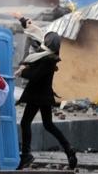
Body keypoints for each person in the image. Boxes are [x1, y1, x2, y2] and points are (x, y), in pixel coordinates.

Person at [14, 24, 78, 170]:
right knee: (48, 125)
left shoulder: (47, 59)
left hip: (38, 95)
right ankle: (69, 150)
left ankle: (26, 155)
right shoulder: (48, 57)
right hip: (43, 95)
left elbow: (34, 76)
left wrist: (23, 72)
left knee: (25, 123)